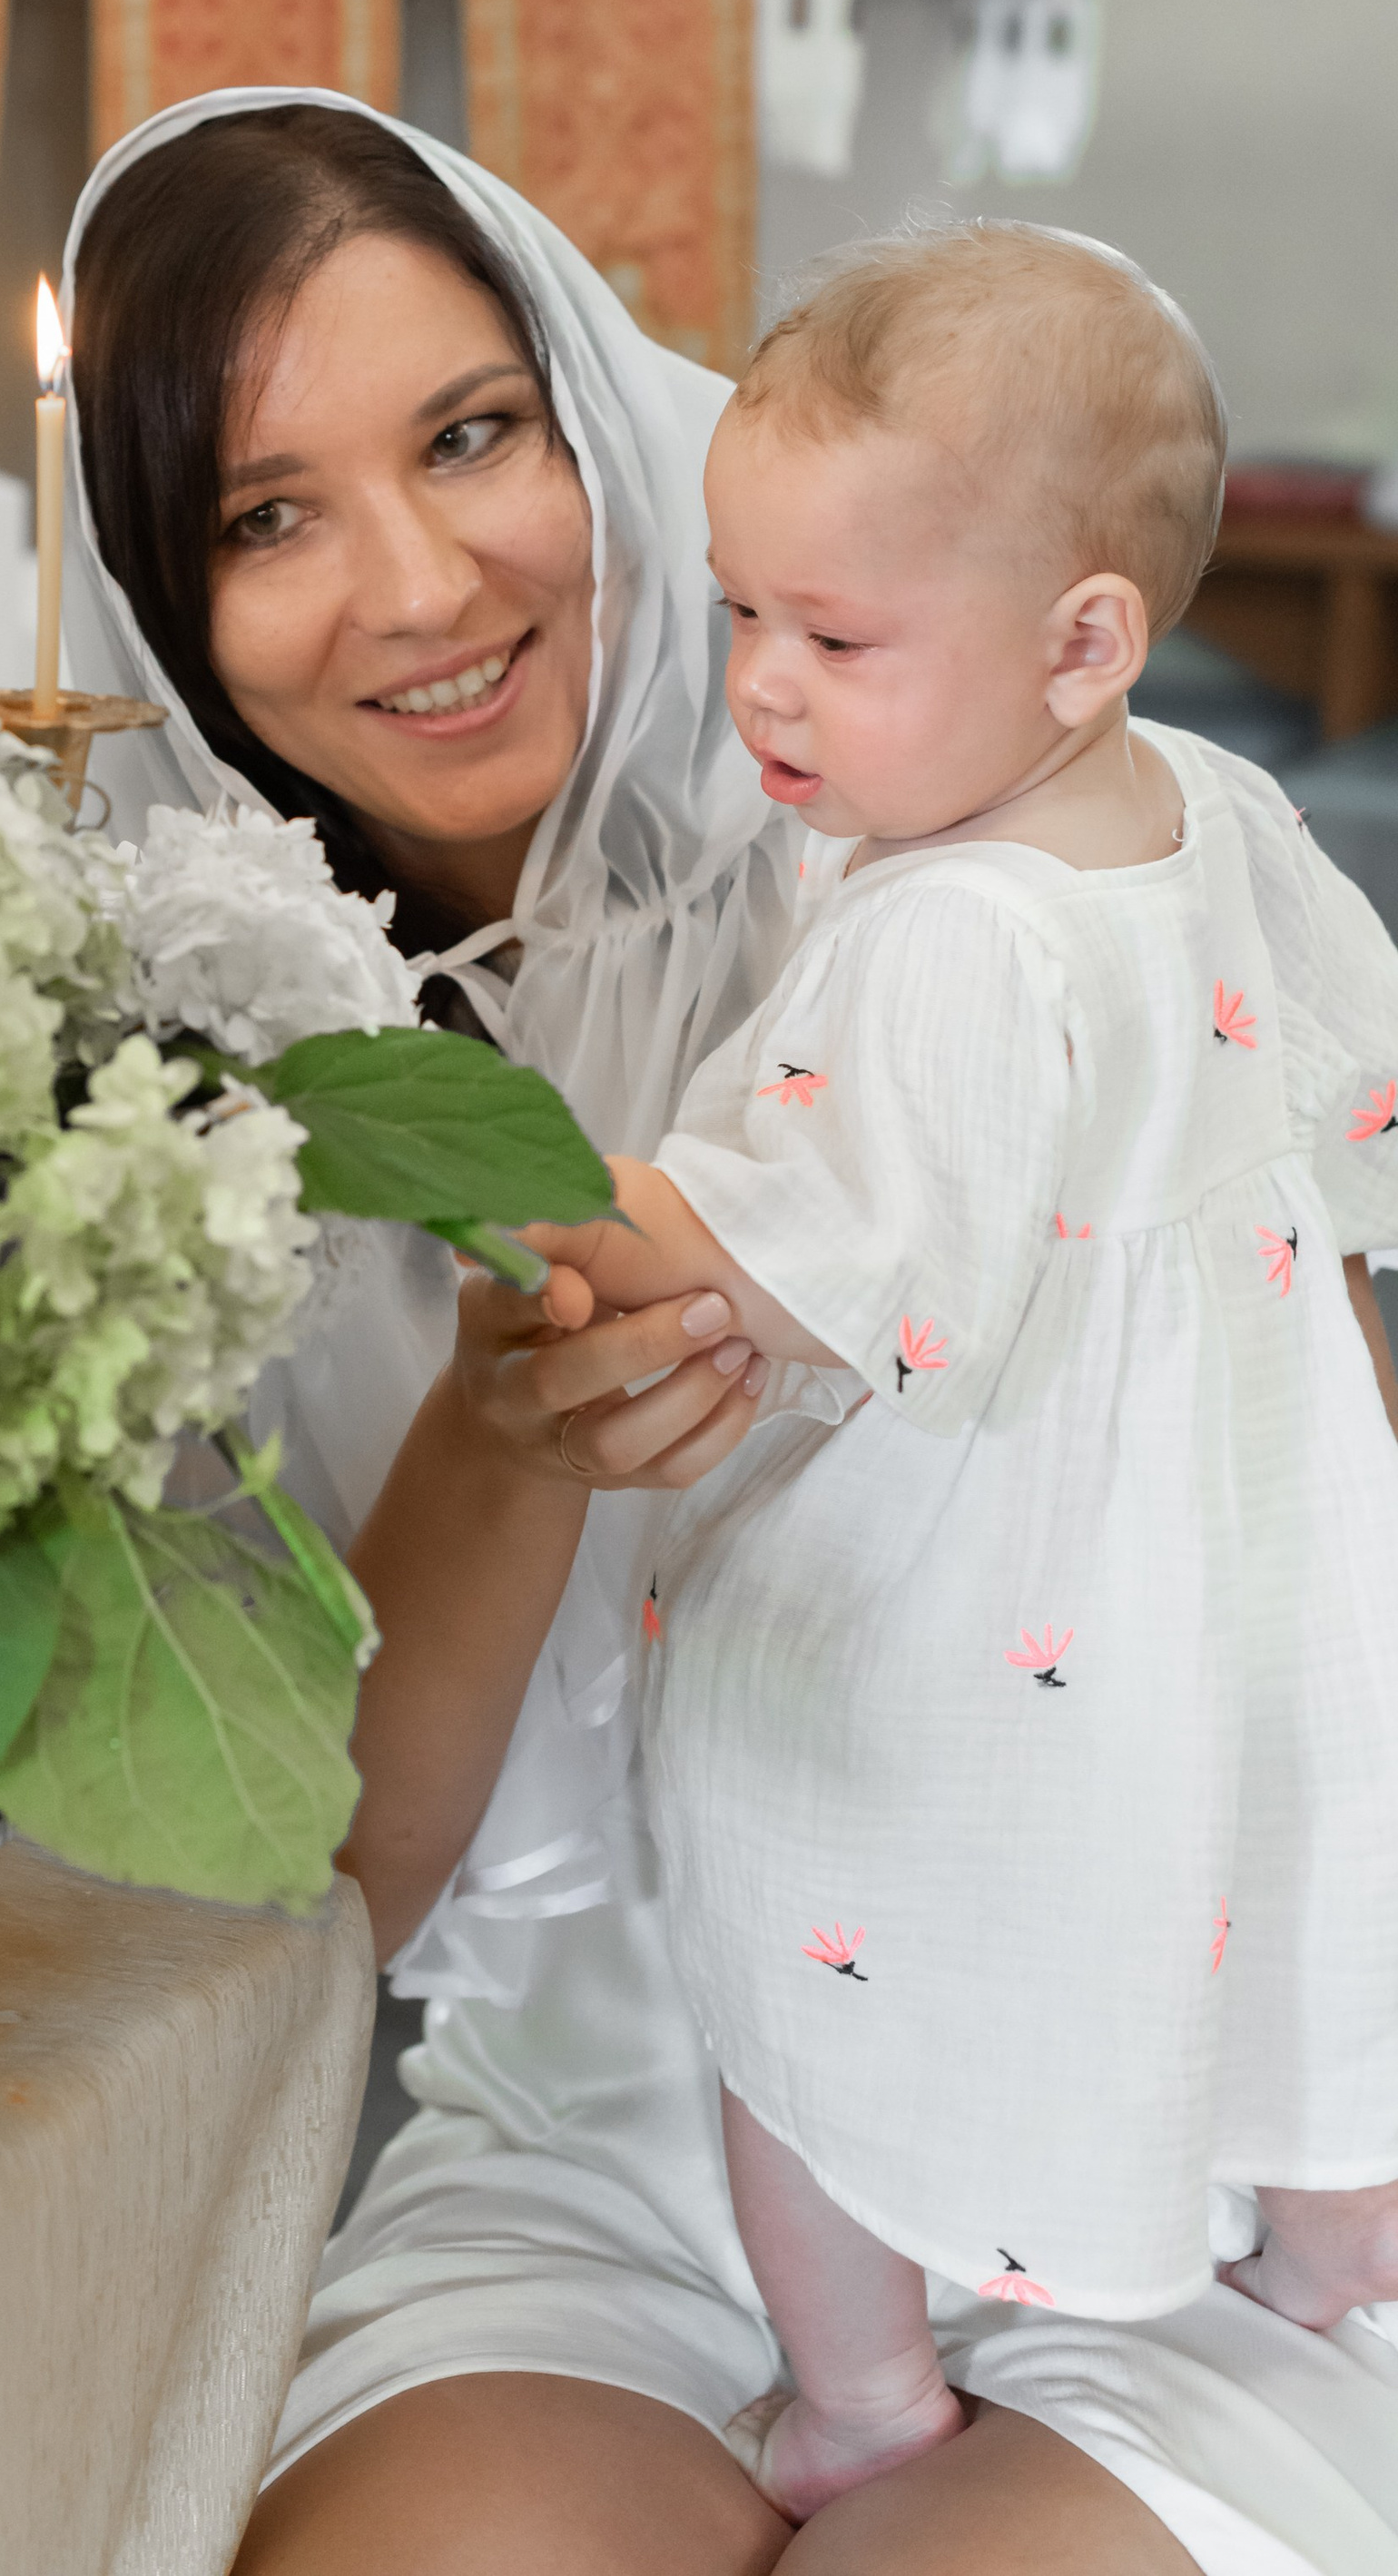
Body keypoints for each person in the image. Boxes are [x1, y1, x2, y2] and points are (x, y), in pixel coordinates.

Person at [57, 88, 1398, 2572]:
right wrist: (498, 1425)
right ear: (166, 598)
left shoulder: (1042, 837)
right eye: (267, 513)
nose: (422, 579)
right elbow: (330, 1887)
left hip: (1174, 2101)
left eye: (474, 434)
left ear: (600, 414)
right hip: (617, 2152)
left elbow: (1328, 1469)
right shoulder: (186, 1112)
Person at [502, 226, 1398, 2524]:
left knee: (808, 1963)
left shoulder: (934, 934)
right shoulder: (1216, 810)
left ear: (1077, 641)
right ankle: (1323, 2266)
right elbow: (1342, 1120)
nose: (760, 691)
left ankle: (862, 2393)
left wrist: (487, 1157)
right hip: (1247, 1562)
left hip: (960, 1602)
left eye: (833, 636)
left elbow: (771, 1271)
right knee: (1292, 1900)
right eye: (735, 613)